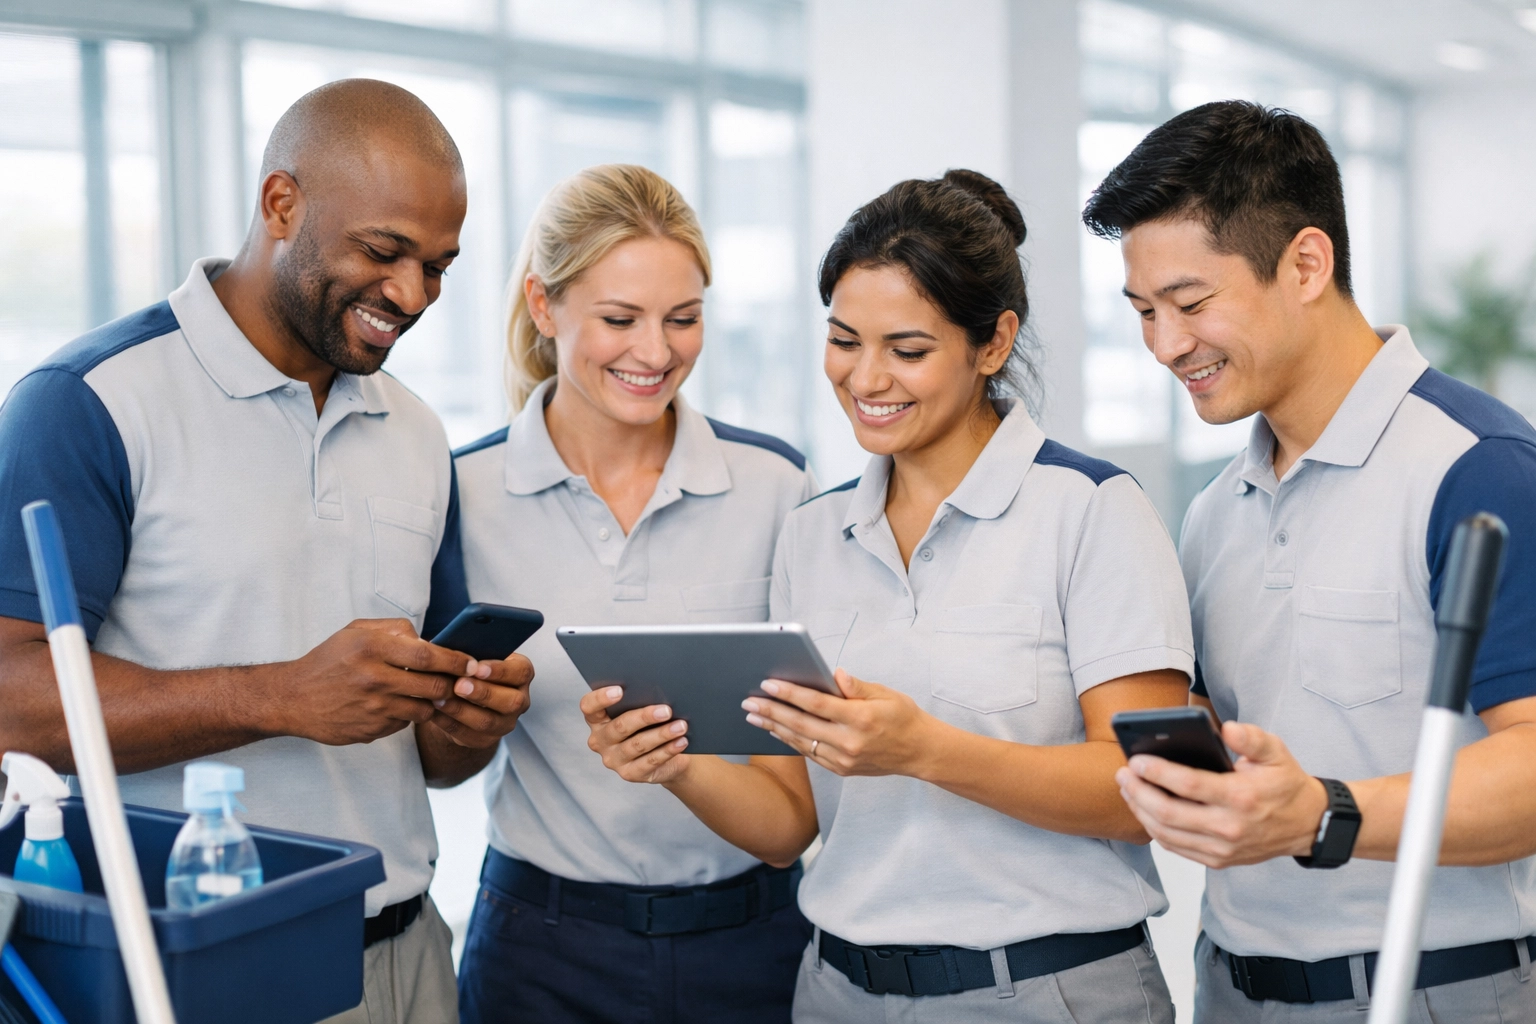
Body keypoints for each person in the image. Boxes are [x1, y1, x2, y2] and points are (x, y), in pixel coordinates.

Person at [586, 168, 1195, 1023]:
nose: (867, 378)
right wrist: (675, 762)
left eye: (908, 350)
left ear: (993, 343)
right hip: (838, 994)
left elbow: (1146, 794)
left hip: (1046, 995)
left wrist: (924, 750)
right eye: (843, 340)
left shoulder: (1092, 511)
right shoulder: (812, 534)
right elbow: (789, 818)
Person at [0, 79, 533, 1024]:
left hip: (406, 959)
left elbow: (431, 760)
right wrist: (278, 695)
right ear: (280, 203)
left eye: (439, 266)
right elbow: (7, 698)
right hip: (196, 969)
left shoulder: (414, 431)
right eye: (383, 251)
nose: (411, 296)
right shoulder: (90, 402)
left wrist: (464, 722)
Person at [1083, 100, 1536, 1022]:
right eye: (1142, 313)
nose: (1166, 346)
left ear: (1305, 263)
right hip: (1235, 986)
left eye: (1191, 304)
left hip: (1439, 992)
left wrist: (1323, 814)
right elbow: (1235, 731)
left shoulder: (1476, 468)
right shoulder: (1215, 510)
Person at [450, 163, 817, 1024]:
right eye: (619, 319)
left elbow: (793, 812)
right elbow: (438, 761)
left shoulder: (775, 487)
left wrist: (678, 763)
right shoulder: (463, 493)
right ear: (545, 307)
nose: (656, 353)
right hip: (540, 953)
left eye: (683, 319)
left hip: (752, 941)